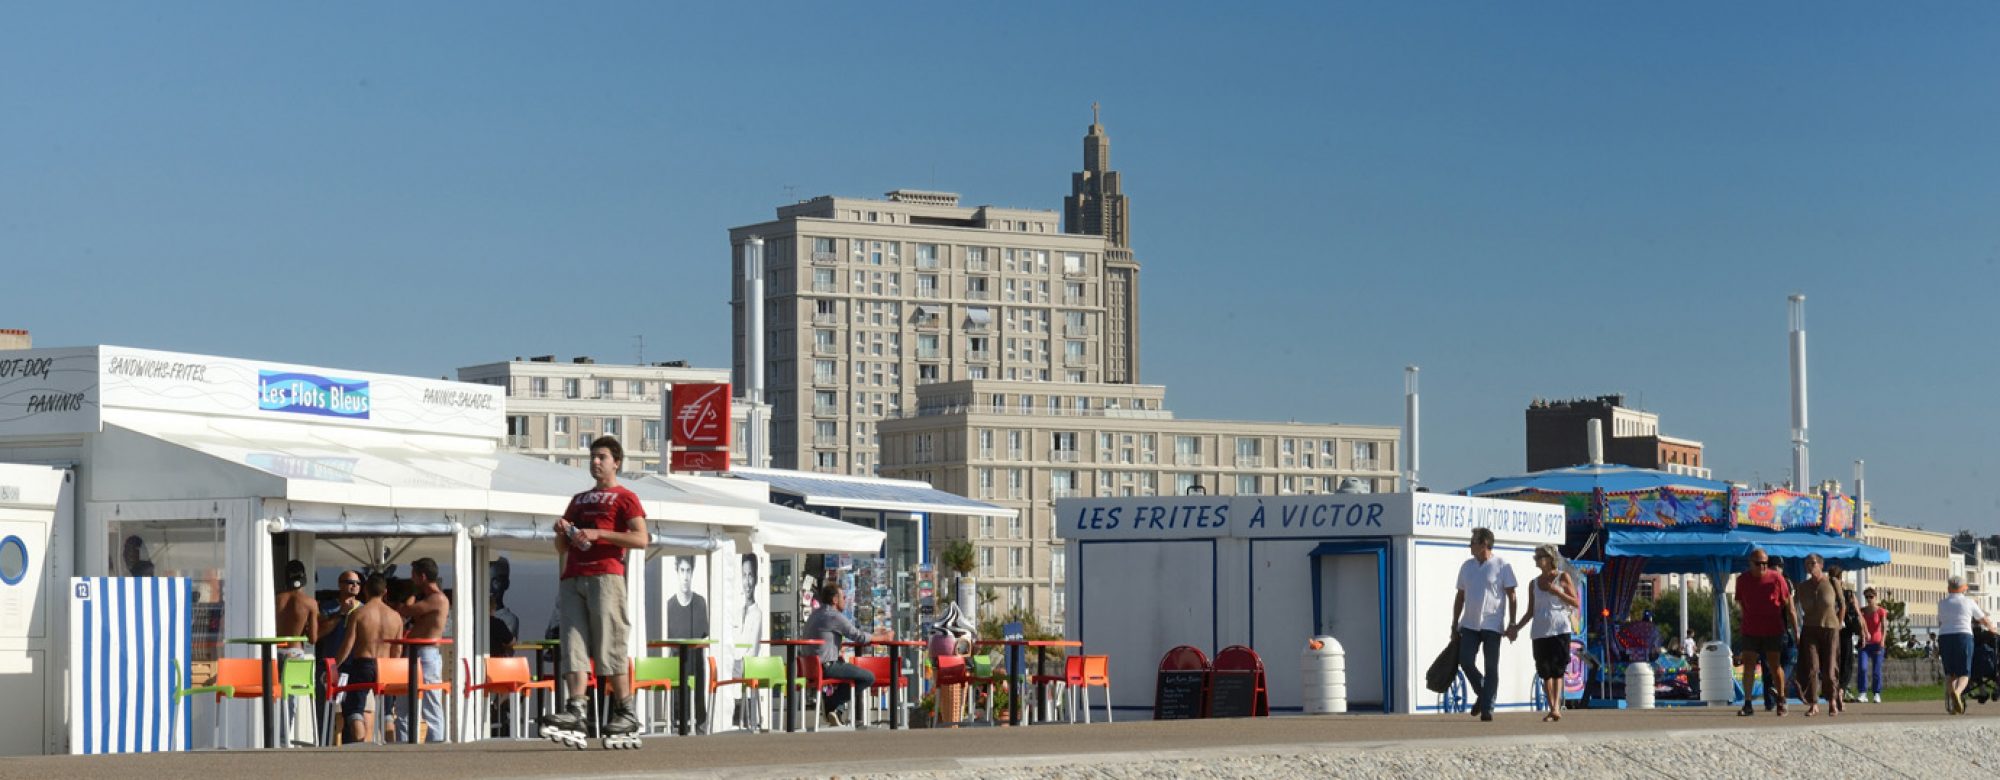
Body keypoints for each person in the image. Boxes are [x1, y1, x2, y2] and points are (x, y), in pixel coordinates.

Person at [540, 436, 649, 741]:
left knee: (610, 645)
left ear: (617, 461)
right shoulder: (578, 499)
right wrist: (562, 531)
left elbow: (641, 539)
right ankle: (576, 708)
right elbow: (561, 547)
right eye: (592, 457)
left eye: (601, 457)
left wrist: (600, 532)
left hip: (606, 577)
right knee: (572, 644)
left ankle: (625, 710)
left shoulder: (625, 497)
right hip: (573, 576)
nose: (595, 462)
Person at [1505, 544, 1578, 723]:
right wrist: (1516, 627)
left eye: (1539, 557)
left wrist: (1555, 591)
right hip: (1540, 631)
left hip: (1560, 629)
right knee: (1544, 671)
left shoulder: (1563, 577)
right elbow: (1530, 611)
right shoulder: (1534, 584)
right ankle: (1552, 706)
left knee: (1558, 670)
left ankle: (1555, 707)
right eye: (1535, 557)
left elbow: (1575, 602)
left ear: (1549, 558)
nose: (1536, 560)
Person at [804, 581, 893, 727]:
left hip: (811, 667)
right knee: (867, 677)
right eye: (843, 597)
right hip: (826, 667)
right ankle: (832, 703)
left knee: (846, 672)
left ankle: (835, 711)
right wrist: (884, 638)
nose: (845, 600)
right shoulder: (834, 616)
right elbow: (858, 636)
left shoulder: (815, 614)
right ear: (834, 600)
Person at [1451, 527, 1517, 722]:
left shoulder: (1502, 565)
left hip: (1492, 623)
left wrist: (1512, 622)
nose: (1470, 546)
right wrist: (1454, 623)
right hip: (1469, 623)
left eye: (1473, 542)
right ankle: (1484, 694)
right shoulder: (1467, 566)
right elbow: (1460, 596)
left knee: (1491, 667)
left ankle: (1487, 707)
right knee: (1466, 661)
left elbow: (1512, 596)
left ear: (1484, 544)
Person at [389, 557, 449, 742]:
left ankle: (436, 742)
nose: (412, 580)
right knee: (404, 702)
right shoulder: (431, 599)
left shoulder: (437, 599)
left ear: (422, 576)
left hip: (426, 653)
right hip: (416, 652)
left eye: (413, 576)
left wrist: (411, 593)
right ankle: (405, 741)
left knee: (431, 700)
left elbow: (406, 610)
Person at [335, 574, 400, 744]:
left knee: (354, 708)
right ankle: (391, 748)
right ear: (385, 591)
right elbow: (397, 649)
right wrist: (394, 672)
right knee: (387, 712)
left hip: (363, 663)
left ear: (365, 590)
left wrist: (335, 665)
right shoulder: (395, 617)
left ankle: (360, 746)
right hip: (387, 665)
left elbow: (348, 644)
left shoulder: (358, 614)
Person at [1734, 547, 1796, 716]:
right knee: (1749, 666)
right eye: (1758, 564)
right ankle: (1748, 704)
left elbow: (1787, 603)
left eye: (1765, 564)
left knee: (1775, 666)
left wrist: (1794, 629)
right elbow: (1741, 603)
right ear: (1750, 563)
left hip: (1773, 629)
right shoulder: (1742, 580)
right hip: (1750, 629)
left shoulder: (1777, 578)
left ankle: (1781, 699)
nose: (1762, 567)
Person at [1792, 554, 1844, 716]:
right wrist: (1796, 630)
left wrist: (1838, 624)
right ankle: (1814, 703)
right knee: (1812, 668)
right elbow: (1793, 609)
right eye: (1807, 564)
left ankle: (1832, 701)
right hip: (1810, 630)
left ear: (1821, 565)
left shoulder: (1832, 583)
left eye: (1813, 563)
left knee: (1829, 669)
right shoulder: (1802, 587)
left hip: (1830, 629)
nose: (1810, 566)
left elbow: (1842, 605)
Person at [664, 554, 710, 732]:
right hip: (676, 664)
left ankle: (698, 721)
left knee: (697, 683)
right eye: (682, 570)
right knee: (678, 693)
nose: (685, 576)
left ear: (693, 572)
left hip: (696, 662)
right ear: (677, 571)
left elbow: (704, 636)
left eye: (688, 570)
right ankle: (677, 720)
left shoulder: (700, 603)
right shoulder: (670, 606)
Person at [1939, 575, 1995, 715]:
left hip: (1944, 636)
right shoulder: (1968, 602)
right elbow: (1982, 619)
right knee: (1964, 672)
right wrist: (1992, 628)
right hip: (1963, 636)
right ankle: (1957, 693)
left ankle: (1952, 702)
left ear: (1949, 588)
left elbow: (1941, 621)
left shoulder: (1942, 603)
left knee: (1950, 673)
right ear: (1964, 588)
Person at [1857, 587, 1889, 703]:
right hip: (1865, 644)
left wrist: (1883, 640)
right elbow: (1860, 625)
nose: (1869, 599)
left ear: (1875, 597)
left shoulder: (1881, 611)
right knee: (1863, 667)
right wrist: (1862, 637)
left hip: (1877, 643)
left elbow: (1884, 626)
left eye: (1871, 597)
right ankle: (1862, 692)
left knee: (1876, 670)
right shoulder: (1863, 611)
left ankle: (1876, 693)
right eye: (1867, 597)